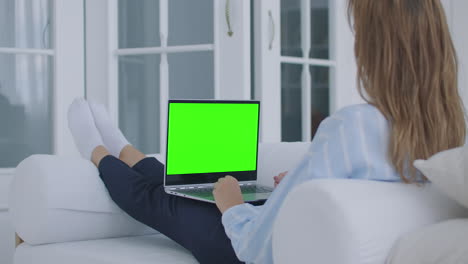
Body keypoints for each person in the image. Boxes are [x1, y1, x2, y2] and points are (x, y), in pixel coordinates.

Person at [67, 0, 466, 263]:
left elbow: (257, 246)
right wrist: (299, 187)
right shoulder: (450, 127)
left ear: (376, 49)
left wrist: (233, 206)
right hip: (283, 222)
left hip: (243, 245)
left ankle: (97, 149)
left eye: (360, 34)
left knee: (160, 199)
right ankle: (125, 148)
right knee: (179, 183)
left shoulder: (352, 127)